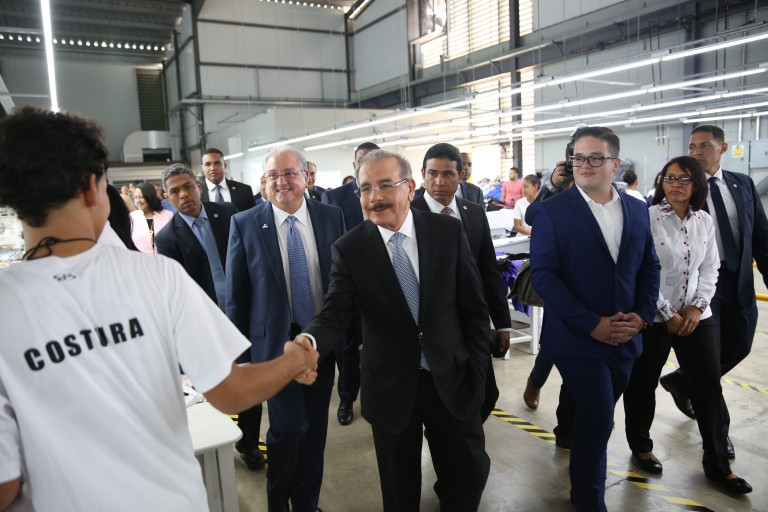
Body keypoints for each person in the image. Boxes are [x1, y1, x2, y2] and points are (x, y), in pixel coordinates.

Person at [0, 106, 319, 512]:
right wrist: (295, 360)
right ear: (91, 188)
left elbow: (5, 486)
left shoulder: (6, 305)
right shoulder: (156, 277)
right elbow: (231, 392)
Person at [298, 149, 492, 512]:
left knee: (466, 478)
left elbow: (475, 310)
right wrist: (308, 342)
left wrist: (477, 371)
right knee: (399, 493)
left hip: (451, 378)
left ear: (410, 188)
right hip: (390, 387)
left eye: (386, 185)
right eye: (365, 188)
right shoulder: (350, 248)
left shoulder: (446, 231)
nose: (375, 197)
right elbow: (335, 312)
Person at [529, 126, 660, 511]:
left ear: (615, 164)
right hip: (577, 338)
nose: (584, 165)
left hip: (626, 339)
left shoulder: (636, 208)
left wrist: (643, 317)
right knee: (600, 419)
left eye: (595, 158)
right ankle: (589, 500)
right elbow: (544, 276)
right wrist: (593, 324)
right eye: (578, 158)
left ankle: (582, 489)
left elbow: (649, 266)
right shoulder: (551, 211)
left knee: (594, 419)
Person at [622, 156, 752, 494]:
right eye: (669, 177)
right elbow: (642, 271)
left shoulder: (704, 221)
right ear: (661, 182)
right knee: (642, 384)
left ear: (697, 184)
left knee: (708, 387)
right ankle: (641, 447)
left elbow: (710, 268)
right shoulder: (647, 218)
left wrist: (697, 307)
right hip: (654, 317)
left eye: (683, 178)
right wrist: (668, 312)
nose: (675, 184)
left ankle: (718, 465)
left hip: (697, 317)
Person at [226, 146, 346, 512]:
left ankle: (306, 504)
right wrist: (242, 358)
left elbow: (344, 284)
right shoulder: (245, 223)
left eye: (289, 173)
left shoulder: (331, 216)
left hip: (320, 344)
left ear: (306, 177)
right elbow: (237, 297)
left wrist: (351, 343)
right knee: (287, 430)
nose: (282, 182)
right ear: (264, 182)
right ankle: (278, 503)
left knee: (315, 433)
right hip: (273, 350)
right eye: (273, 176)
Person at [659, 124, 768, 459]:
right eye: (692, 146)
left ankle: (682, 380)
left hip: (738, 281)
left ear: (722, 148)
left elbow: (761, 236)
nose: (696, 152)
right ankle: (720, 435)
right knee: (709, 361)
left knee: (740, 345)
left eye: (704, 145)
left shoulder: (742, 184)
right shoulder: (681, 189)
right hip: (699, 287)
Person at [411, 142, 511, 421]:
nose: (439, 182)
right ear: (423, 175)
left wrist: (502, 323)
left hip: (472, 323)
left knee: (485, 393)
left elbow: (489, 270)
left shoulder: (473, 212)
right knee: (439, 401)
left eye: (447, 174)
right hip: (430, 328)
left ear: (461, 176)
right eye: (432, 174)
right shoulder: (408, 213)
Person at [321, 141, 380, 426]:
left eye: (373, 158)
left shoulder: (387, 191)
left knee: (378, 343)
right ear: (354, 165)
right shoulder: (334, 197)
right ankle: (346, 398)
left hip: (380, 282)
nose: (366, 163)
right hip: (347, 281)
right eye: (361, 160)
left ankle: (375, 399)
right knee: (346, 347)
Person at [155, 163, 238, 310]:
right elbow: (177, 286)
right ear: (167, 198)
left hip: (243, 300)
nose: (183, 194)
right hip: (204, 310)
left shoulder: (228, 212)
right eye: (175, 191)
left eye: (188, 187)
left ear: (199, 186)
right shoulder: (166, 238)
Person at [200, 148, 256, 212]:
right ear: (202, 168)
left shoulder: (244, 190)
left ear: (225, 166)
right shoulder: (197, 193)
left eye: (217, 163)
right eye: (208, 164)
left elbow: (254, 215)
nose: (212, 168)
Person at [129, 182, 173, 253]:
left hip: (164, 257)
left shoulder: (168, 215)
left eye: (141, 197)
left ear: (150, 196)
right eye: (135, 197)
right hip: (140, 258)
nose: (137, 201)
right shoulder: (131, 217)